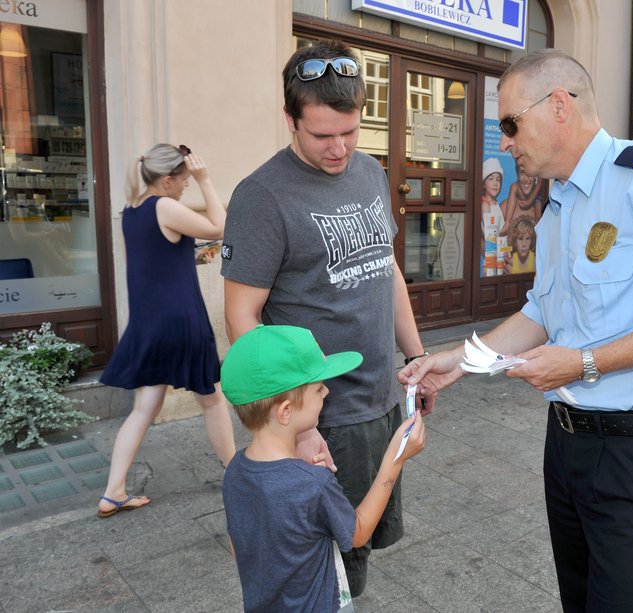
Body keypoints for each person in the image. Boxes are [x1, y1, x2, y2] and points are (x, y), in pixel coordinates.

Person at [400, 49, 633, 613]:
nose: (505, 142)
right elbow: (542, 313)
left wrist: (585, 363)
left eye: (510, 124)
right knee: (579, 601)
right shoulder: (557, 202)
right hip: (567, 441)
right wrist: (460, 360)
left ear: (559, 105)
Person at [220, 40, 430, 597]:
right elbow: (242, 318)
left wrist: (416, 356)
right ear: (289, 118)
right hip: (320, 413)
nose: (339, 148)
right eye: (321, 135)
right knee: (331, 567)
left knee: (358, 551)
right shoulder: (261, 195)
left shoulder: (368, 170)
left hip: (381, 398)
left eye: (350, 131)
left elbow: (387, 273)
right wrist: (298, 425)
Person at [220, 324, 425, 613]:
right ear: (286, 411)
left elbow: (237, 547)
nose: (327, 391)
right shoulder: (313, 484)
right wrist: (395, 460)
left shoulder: (235, 471)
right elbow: (358, 532)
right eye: (318, 387)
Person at [97, 144, 235, 517]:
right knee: (210, 399)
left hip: (149, 321)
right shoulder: (165, 205)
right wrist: (208, 182)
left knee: (144, 407)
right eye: (186, 181)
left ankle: (113, 491)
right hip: (181, 319)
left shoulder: (132, 211)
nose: (187, 186)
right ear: (168, 180)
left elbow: (145, 262)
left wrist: (188, 256)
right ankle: (235, 472)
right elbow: (219, 226)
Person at [499, 162, 544, 238]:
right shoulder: (505, 207)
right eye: (522, 173)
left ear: (535, 177)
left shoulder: (539, 206)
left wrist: (529, 202)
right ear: (518, 175)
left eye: (529, 173)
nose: (526, 179)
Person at [480, 157, 505, 276]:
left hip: (499, 253)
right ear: (484, 183)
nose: (495, 183)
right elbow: (490, 237)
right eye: (491, 179)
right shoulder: (486, 205)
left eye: (498, 179)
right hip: (491, 255)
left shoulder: (495, 204)